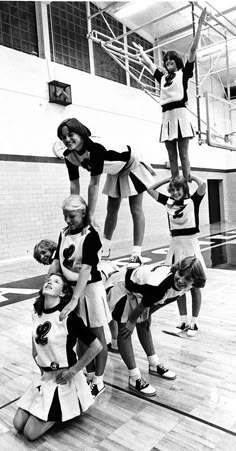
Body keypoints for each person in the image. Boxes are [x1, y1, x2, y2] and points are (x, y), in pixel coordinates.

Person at [56, 117, 156, 268]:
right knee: (111, 209)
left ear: (81, 133)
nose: (67, 140)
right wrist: (75, 209)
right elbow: (74, 184)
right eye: (63, 137)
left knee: (135, 209)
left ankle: (136, 254)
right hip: (114, 170)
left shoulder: (95, 149)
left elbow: (94, 184)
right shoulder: (69, 156)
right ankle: (106, 249)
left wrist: (89, 214)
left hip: (131, 163)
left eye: (71, 135)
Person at [13, 273, 102, 441]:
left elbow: (96, 346)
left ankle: (68, 406)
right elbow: (36, 347)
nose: (49, 282)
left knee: (30, 433)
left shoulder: (68, 317)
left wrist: (73, 371)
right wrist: (39, 364)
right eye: (48, 280)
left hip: (63, 379)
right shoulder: (36, 313)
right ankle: (50, 408)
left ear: (63, 293)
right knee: (18, 424)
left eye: (56, 282)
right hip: (45, 377)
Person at [104, 256, 206, 396]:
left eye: (187, 278)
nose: (181, 280)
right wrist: (131, 322)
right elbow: (146, 303)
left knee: (145, 324)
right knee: (125, 331)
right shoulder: (161, 284)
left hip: (141, 291)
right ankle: (134, 377)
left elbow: (161, 301)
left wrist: (146, 315)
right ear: (177, 269)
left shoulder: (185, 286)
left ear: (195, 281)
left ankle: (154, 364)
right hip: (122, 285)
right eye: (181, 274)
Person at [48, 194, 112, 398]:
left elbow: (85, 270)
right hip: (71, 290)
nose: (67, 220)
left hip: (89, 291)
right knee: (80, 339)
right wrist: (49, 280)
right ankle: (88, 374)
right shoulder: (63, 232)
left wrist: (75, 298)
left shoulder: (91, 235)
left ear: (83, 214)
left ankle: (99, 381)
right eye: (65, 216)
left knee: (97, 337)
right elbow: (58, 260)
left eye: (71, 216)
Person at [133, 7, 207, 181]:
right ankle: (175, 184)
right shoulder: (162, 77)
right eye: (166, 62)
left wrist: (200, 25)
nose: (167, 64)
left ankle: (186, 184)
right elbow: (150, 65)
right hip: (166, 116)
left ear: (177, 63)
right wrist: (142, 52)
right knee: (171, 156)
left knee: (183, 154)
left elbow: (193, 51)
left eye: (171, 61)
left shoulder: (184, 73)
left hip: (180, 114)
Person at [34, 238, 120, 353]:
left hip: (105, 276)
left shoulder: (59, 259)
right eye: (40, 258)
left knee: (107, 314)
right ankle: (114, 344)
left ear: (51, 247)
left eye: (43, 253)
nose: (43, 257)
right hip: (104, 274)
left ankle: (114, 344)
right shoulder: (61, 258)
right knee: (107, 314)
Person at [147, 174, 206, 336]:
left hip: (190, 245)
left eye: (177, 189)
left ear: (184, 189)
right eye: (172, 190)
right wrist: (168, 179)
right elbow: (150, 189)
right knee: (177, 284)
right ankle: (183, 320)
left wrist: (191, 176)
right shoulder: (168, 202)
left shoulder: (193, 201)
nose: (174, 192)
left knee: (194, 286)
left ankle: (194, 323)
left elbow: (203, 185)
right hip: (175, 246)